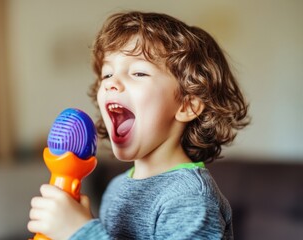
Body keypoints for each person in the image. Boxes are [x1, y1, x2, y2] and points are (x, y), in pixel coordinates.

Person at [28, 11, 250, 239]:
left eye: (138, 72)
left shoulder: (190, 198)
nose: (112, 83)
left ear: (187, 105)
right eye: (107, 74)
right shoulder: (116, 188)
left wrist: (81, 232)